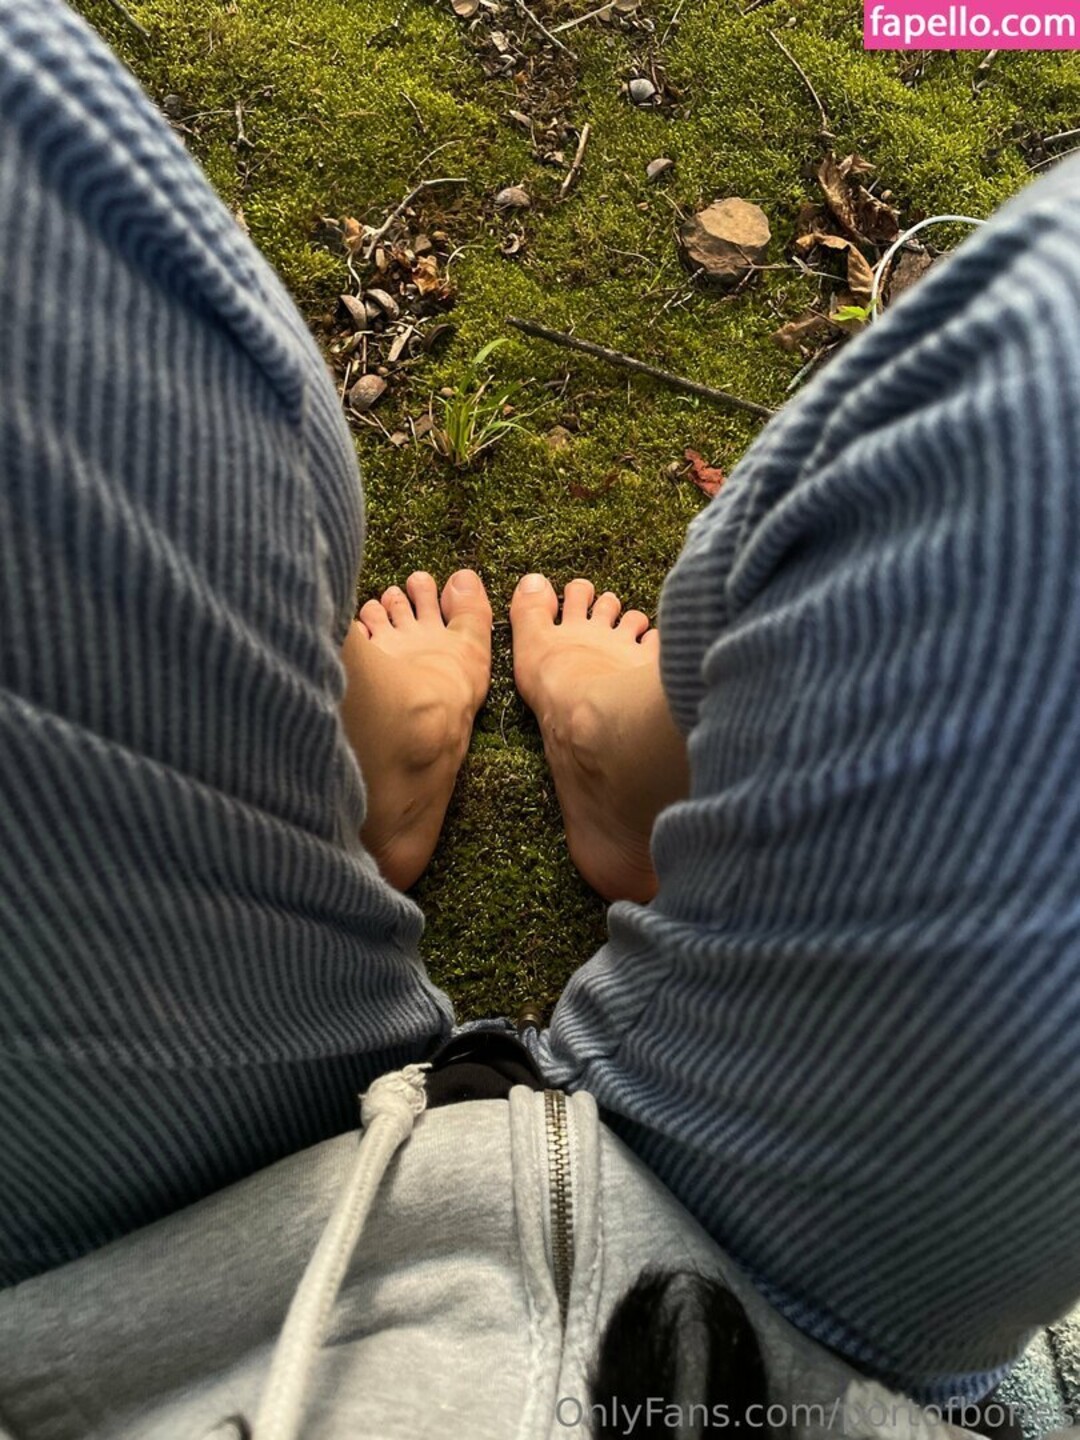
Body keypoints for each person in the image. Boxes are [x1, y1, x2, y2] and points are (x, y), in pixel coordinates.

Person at [1, 1, 1080, 1437]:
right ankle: (641, 787)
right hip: (819, 1322)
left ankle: (341, 806)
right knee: (1054, 384)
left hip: (130, 1277)